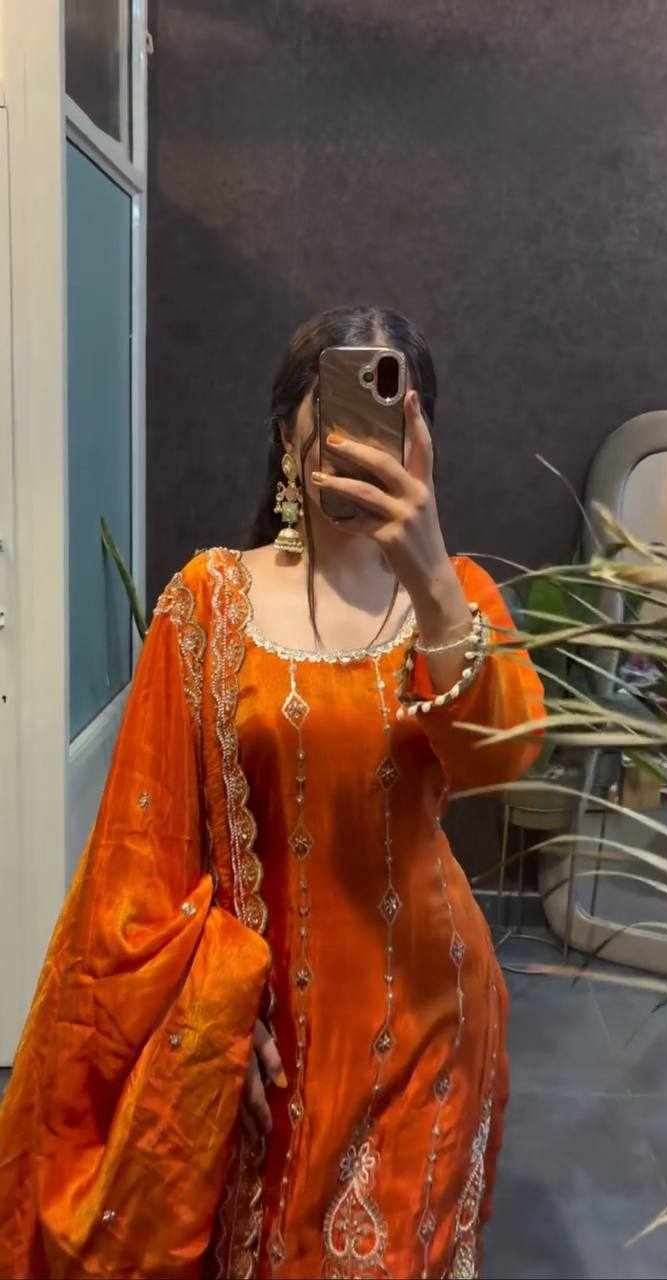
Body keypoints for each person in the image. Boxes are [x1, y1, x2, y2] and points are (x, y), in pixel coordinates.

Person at [0, 305, 544, 1280]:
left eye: (390, 413)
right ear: (287, 433)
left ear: (420, 441)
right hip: (268, 1037)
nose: (354, 437)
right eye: (333, 406)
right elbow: (142, 861)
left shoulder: (455, 599)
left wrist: (428, 573)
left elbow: (498, 759)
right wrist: (210, 1006)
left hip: (431, 1013)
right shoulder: (210, 602)